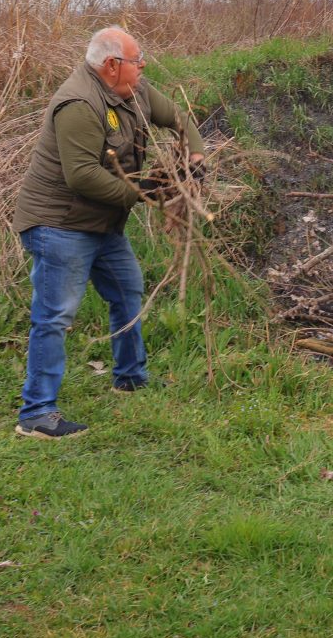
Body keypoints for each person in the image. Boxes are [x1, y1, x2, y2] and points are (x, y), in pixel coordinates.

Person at [11, 27, 204, 439]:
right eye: (137, 59)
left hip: (101, 223)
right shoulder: (79, 104)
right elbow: (82, 176)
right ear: (112, 65)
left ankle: (130, 378)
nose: (143, 65)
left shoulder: (134, 90)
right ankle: (36, 413)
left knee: (127, 291)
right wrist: (144, 192)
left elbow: (178, 117)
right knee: (55, 315)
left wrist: (196, 156)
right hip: (59, 224)